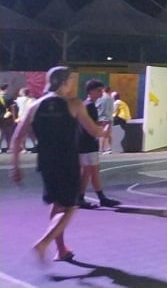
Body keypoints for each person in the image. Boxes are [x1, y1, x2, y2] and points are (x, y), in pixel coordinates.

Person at [10, 66, 110, 263]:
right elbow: (92, 131)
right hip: (67, 162)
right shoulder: (74, 104)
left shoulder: (35, 106)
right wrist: (104, 131)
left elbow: (16, 138)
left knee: (57, 204)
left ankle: (61, 249)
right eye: (71, 80)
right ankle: (44, 242)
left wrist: (15, 166)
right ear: (65, 82)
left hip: (46, 163)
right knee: (71, 206)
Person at [78, 80, 120, 208]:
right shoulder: (90, 106)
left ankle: (83, 197)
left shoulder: (85, 105)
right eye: (99, 91)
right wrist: (105, 127)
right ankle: (97, 198)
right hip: (88, 143)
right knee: (92, 171)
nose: (101, 93)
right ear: (91, 91)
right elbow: (92, 126)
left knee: (88, 171)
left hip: (84, 142)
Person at [95, 87, 115, 154]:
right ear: (109, 91)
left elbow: (96, 106)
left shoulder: (100, 98)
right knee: (108, 134)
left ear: (103, 91)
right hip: (109, 118)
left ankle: (101, 149)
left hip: (102, 118)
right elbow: (113, 109)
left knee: (102, 134)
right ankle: (109, 148)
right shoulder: (111, 99)